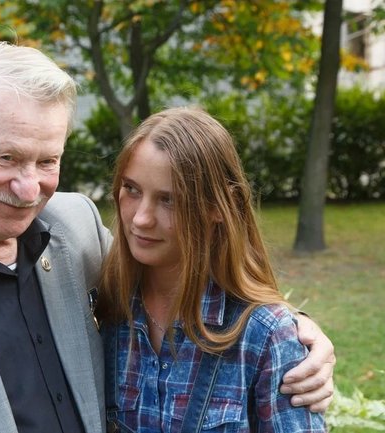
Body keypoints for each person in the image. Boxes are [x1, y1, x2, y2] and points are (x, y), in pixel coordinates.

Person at [0, 43, 332, 433]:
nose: (29, 189)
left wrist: (292, 331)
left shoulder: (73, 225)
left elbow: (180, 281)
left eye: (47, 161)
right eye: (7, 158)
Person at [98, 106, 328, 432]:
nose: (141, 218)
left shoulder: (265, 336)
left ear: (217, 208)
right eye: (132, 189)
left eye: (169, 200)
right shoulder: (106, 304)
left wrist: (291, 330)